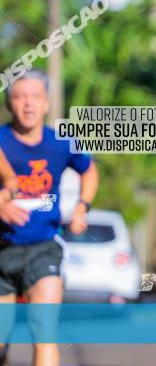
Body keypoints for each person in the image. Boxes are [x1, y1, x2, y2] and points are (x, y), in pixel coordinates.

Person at [0, 70, 98, 366]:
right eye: (20, 97)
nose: (28, 104)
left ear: (46, 103)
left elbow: (89, 170)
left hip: (43, 248)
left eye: (35, 97)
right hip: (2, 249)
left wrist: (82, 206)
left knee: (44, 333)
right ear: (9, 104)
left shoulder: (61, 143)